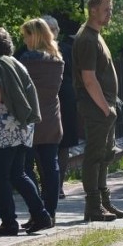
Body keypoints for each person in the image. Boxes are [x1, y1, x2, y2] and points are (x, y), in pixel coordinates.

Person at [0, 28, 52, 236]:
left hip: (0, 132)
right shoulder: (17, 65)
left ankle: (9, 223)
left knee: (0, 177)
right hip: (22, 129)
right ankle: (41, 215)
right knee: (18, 174)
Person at [73, 0, 123, 222]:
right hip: (97, 107)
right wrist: (105, 108)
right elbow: (88, 79)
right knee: (94, 156)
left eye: (110, 9)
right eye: (106, 9)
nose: (110, 13)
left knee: (106, 154)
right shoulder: (86, 39)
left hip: (105, 107)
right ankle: (93, 206)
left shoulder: (96, 36)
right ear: (93, 10)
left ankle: (104, 201)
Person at [18, 18, 64, 223]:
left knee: (25, 168)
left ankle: (37, 211)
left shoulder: (25, 62)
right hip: (52, 119)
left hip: (29, 120)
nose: (24, 39)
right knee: (50, 166)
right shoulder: (57, 61)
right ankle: (51, 211)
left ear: (34, 36)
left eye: (26, 35)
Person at [42, 15, 77, 199]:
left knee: (64, 144)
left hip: (66, 102)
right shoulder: (31, 51)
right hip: (42, 103)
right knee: (42, 143)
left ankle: (59, 185)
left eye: (52, 30)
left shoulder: (67, 50)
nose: (49, 34)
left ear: (57, 32)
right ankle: (46, 185)